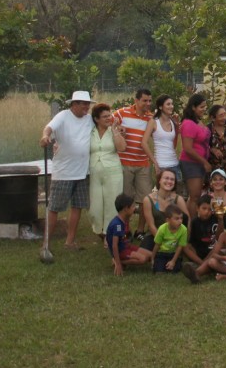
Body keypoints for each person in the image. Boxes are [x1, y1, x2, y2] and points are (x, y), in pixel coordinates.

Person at [39, 90, 94, 250]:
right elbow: (49, 128)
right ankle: (46, 244)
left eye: (88, 104)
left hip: (83, 171)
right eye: (84, 104)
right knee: (54, 207)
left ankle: (70, 241)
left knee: (77, 206)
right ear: (74, 104)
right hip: (64, 172)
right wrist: (45, 137)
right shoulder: (63, 115)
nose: (87, 107)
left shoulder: (89, 119)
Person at [112, 89, 154, 225]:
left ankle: (141, 229)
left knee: (145, 199)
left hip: (143, 163)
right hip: (125, 163)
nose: (148, 103)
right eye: (144, 100)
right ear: (136, 100)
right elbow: (108, 124)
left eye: (150, 100)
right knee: (126, 199)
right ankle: (125, 228)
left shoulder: (150, 117)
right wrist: (118, 129)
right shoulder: (122, 113)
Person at [88, 102, 126, 238]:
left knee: (112, 203)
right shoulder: (90, 132)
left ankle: (110, 233)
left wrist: (116, 131)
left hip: (113, 172)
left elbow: (121, 148)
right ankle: (99, 229)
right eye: (104, 116)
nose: (108, 118)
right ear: (96, 119)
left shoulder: (114, 130)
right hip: (95, 172)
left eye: (109, 115)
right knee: (95, 206)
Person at [140, 168, 189, 250]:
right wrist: (163, 243)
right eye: (166, 178)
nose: (169, 181)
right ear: (159, 180)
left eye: (172, 179)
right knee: (144, 257)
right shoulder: (148, 199)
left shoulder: (178, 199)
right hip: (154, 235)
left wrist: (185, 238)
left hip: (174, 237)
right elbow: (151, 225)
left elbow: (188, 219)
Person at [106, 193, 152, 276]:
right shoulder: (118, 225)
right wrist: (118, 263)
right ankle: (118, 262)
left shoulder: (125, 219)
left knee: (151, 255)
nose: (135, 208)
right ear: (126, 209)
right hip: (121, 250)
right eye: (133, 206)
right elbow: (114, 245)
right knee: (143, 259)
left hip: (127, 246)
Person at [141, 94, 181, 186]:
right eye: (168, 104)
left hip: (174, 163)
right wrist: (155, 162)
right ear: (160, 107)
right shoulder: (154, 122)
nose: (171, 106)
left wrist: (177, 126)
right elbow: (144, 143)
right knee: (163, 195)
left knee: (176, 195)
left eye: (172, 104)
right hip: (161, 165)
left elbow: (174, 145)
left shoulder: (173, 121)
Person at [179, 94, 212, 204]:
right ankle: (192, 221)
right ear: (193, 107)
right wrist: (204, 162)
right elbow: (188, 148)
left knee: (196, 196)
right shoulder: (188, 123)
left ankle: (191, 219)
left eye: (205, 107)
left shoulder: (197, 121)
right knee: (195, 196)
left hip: (199, 162)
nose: (204, 109)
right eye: (201, 107)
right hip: (191, 163)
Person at [151, 204, 188, 274]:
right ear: (168, 220)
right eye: (177, 218)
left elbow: (180, 247)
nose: (180, 221)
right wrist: (152, 258)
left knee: (174, 270)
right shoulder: (162, 229)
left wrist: (173, 261)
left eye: (181, 218)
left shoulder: (184, 229)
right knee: (159, 271)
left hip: (173, 254)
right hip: (162, 253)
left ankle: (179, 264)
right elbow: (157, 245)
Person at [185, 194, 217, 266]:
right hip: (199, 252)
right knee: (185, 247)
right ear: (197, 208)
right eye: (204, 208)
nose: (207, 212)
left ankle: (201, 265)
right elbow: (191, 242)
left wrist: (220, 219)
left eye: (210, 209)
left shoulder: (216, 219)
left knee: (218, 247)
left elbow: (220, 238)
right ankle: (202, 264)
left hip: (212, 251)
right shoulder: (195, 222)